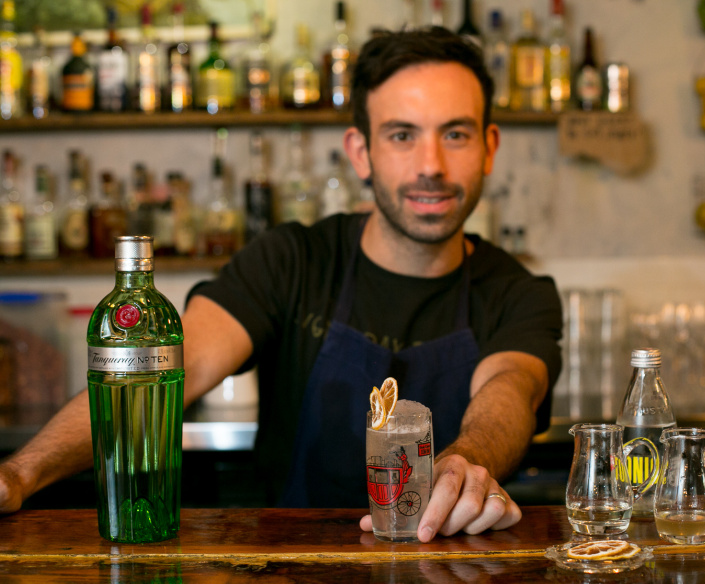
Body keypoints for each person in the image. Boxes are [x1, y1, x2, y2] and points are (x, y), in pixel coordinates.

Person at [0, 27, 562, 543]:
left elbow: (510, 391)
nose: (431, 164)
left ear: (489, 147)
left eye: (455, 134)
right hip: (287, 571)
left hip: (448, 573)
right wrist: (19, 475)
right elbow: (166, 363)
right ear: (361, 153)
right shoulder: (291, 261)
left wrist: (467, 461)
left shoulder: (519, 292)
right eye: (402, 135)